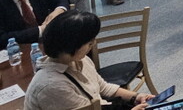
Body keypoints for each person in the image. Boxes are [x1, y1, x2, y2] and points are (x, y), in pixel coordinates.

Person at [24, 11, 155, 110]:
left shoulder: (80, 60)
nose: (93, 44)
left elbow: (103, 87)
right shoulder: (52, 86)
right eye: (89, 42)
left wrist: (135, 97)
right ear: (71, 46)